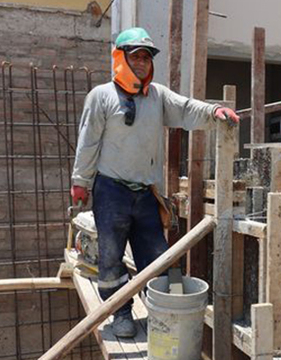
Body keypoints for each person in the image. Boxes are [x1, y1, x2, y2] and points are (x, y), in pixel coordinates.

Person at [70, 27, 239, 338]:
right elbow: (88, 142)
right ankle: (121, 313)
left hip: (146, 193)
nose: (143, 64)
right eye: (136, 57)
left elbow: (187, 108)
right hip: (110, 191)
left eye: (147, 58)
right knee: (110, 258)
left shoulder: (157, 96)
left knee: (157, 257)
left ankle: (161, 312)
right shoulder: (102, 96)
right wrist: (80, 181)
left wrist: (214, 111)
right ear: (120, 58)